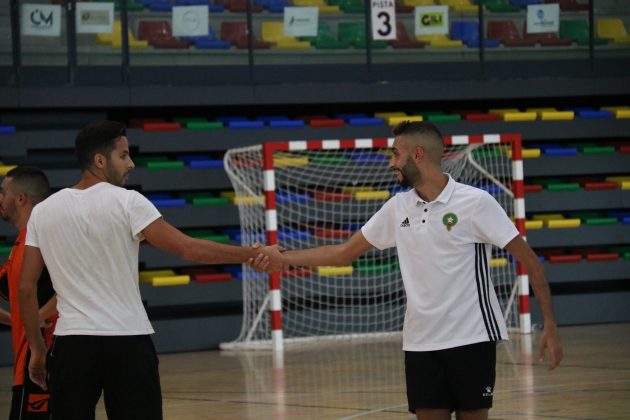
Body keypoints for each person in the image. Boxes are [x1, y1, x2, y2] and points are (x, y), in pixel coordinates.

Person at [256, 121, 563, 420]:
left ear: (417, 155)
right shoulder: (397, 208)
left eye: (395, 154)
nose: (392, 163)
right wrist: (285, 258)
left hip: (472, 337)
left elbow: (530, 261)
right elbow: (342, 253)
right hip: (420, 342)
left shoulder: (476, 202)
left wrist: (549, 323)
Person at [18, 120, 284, 420]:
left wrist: (38, 351)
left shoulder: (43, 211)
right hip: (127, 342)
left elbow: (26, 288)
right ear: (100, 160)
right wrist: (254, 254)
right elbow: (187, 248)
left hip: (72, 346)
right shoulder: (128, 202)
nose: (130, 163)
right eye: (124, 155)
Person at [0, 166, 57, 419]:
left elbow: (79, 284)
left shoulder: (49, 238)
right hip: (27, 359)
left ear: (20, 198)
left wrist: (40, 316)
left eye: (3, 192)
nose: (0, 199)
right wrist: (19, 320)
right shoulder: (21, 243)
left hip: (46, 357)